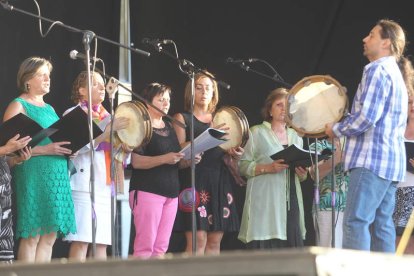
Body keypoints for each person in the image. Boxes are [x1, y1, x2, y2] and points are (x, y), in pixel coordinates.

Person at [325, 19, 414, 252]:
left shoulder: (377, 69)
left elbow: (366, 118)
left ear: (386, 42)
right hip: (391, 163)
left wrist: (335, 129)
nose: (365, 39)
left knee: (356, 222)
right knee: (382, 226)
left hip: (371, 161)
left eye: (372, 35)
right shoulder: (396, 73)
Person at [3, 57, 76, 262]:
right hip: (33, 173)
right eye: (42, 74)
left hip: (57, 176)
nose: (47, 78)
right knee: (32, 235)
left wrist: (68, 149)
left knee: (49, 237)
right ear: (27, 79)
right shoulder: (18, 105)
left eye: (49, 75)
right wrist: (47, 149)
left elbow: (57, 141)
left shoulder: (50, 108)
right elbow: (8, 152)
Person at [173, 71, 243, 255]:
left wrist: (234, 153)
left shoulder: (221, 120)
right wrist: (209, 134)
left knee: (214, 242)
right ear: (191, 91)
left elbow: (227, 152)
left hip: (219, 181)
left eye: (208, 88)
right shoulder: (182, 118)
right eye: (199, 87)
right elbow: (179, 151)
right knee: (198, 240)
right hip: (194, 181)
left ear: (214, 92)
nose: (204, 92)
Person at [63, 71, 129, 260]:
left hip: (105, 184)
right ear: (81, 90)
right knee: (82, 240)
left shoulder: (109, 116)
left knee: (102, 243)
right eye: (95, 84)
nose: (102, 87)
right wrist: (106, 133)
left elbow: (118, 154)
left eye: (102, 84)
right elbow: (75, 146)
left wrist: (126, 147)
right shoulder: (74, 113)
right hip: (83, 185)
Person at [129, 83, 197, 258]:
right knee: (145, 247)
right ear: (147, 102)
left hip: (171, 194)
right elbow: (136, 161)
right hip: (148, 191)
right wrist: (164, 159)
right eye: (161, 99)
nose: (166, 103)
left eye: (168, 99)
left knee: (161, 249)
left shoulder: (169, 126)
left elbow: (175, 162)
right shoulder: (141, 126)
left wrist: (189, 160)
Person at [238, 88, 308, 249]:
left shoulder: (296, 136)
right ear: (269, 110)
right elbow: (242, 166)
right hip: (265, 201)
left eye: (287, 106)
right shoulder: (255, 133)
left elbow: (302, 176)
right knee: (266, 246)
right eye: (279, 105)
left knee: (291, 251)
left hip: (291, 201)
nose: (284, 109)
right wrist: (268, 168)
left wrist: (302, 173)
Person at [308, 138, 349, 248]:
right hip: (327, 207)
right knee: (329, 252)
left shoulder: (353, 143)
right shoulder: (318, 145)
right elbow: (314, 174)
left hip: (354, 207)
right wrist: (336, 159)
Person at [0, 135, 32, 263]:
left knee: (5, 259)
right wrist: (6, 149)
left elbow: (3, 161)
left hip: (4, 202)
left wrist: (17, 159)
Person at [393, 95, 414, 254]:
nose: (412, 105)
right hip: (392, 193)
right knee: (393, 246)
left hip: (411, 195)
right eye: (409, 102)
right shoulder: (395, 131)